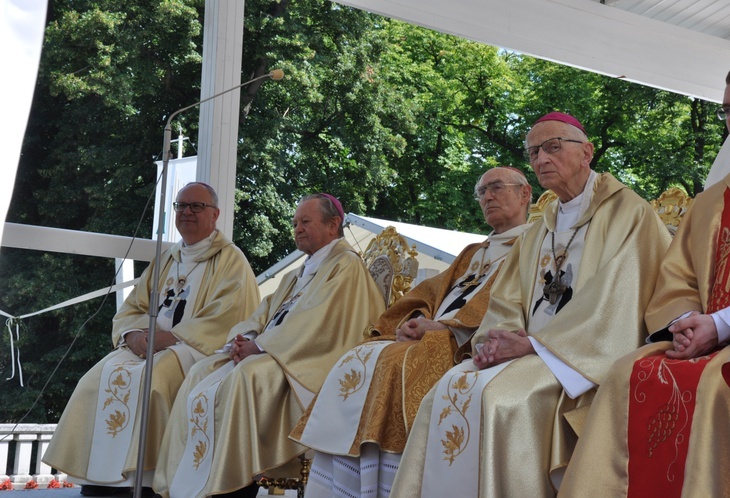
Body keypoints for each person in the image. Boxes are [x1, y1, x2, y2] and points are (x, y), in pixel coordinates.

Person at [389, 112, 672, 498]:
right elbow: (507, 298)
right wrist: (495, 341)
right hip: (527, 352)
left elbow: (616, 303)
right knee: (448, 388)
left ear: (587, 152)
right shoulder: (542, 225)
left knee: (504, 400)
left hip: (581, 359)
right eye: (534, 151)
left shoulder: (628, 212)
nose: (541, 159)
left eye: (553, 147)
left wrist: (536, 345)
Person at [559, 61, 730, 498]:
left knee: (725, 386)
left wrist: (720, 326)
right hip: (708, 338)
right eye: (727, 109)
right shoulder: (712, 203)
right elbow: (676, 278)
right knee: (628, 372)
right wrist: (686, 321)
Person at [289, 167, 533, 497]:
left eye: (497, 188)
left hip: (466, 342)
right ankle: (342, 485)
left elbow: (511, 305)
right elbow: (430, 293)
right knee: (363, 353)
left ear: (524, 193)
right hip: (435, 333)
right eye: (481, 191)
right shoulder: (474, 252)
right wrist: (416, 319)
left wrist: (446, 328)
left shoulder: (533, 247)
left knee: (393, 360)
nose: (487, 197)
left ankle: (385, 486)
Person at [152, 193, 386, 498]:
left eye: (305, 221)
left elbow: (318, 324)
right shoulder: (298, 273)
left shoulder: (346, 266)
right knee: (200, 372)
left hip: (310, 364)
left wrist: (261, 347)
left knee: (246, 376)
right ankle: (185, 483)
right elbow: (263, 312)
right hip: (277, 353)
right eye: (295, 223)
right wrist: (246, 338)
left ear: (333, 225)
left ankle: (233, 485)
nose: (298, 228)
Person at [43, 182, 260, 496]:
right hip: (148, 342)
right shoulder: (168, 258)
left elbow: (228, 316)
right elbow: (136, 305)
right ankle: (101, 478)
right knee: (94, 379)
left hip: (195, 349)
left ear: (215, 214)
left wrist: (169, 338)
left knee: (153, 380)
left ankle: (147, 477)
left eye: (196, 206)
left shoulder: (230, 260)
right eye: (181, 206)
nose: (186, 212)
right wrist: (132, 335)